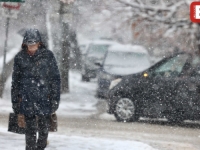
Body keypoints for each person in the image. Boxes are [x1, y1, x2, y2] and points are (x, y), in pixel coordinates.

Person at [11, 28, 61, 150]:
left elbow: (55, 79)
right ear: (24, 43)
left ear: (39, 43)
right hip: (26, 98)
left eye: (33, 44)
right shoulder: (20, 57)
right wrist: (15, 100)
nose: (31, 46)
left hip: (44, 98)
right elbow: (15, 81)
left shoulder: (48, 56)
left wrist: (55, 99)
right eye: (29, 44)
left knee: (44, 131)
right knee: (30, 131)